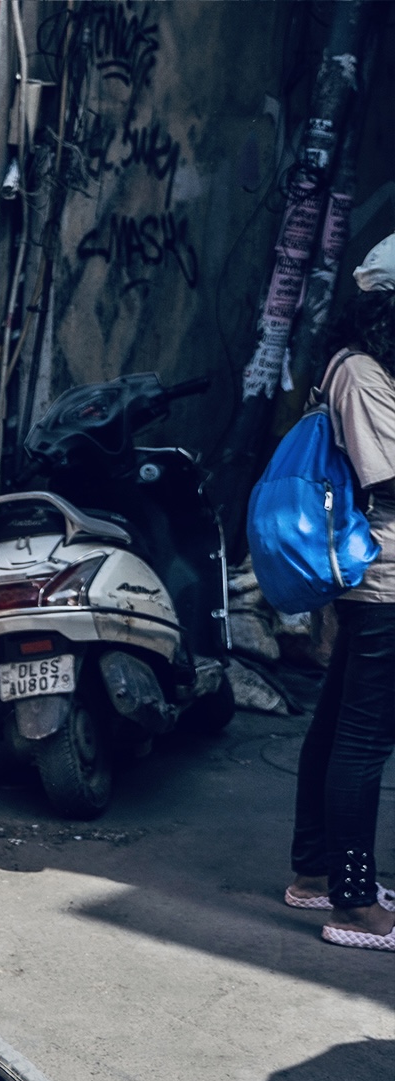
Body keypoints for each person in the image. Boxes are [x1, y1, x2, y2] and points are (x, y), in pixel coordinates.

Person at [286, 231, 395, 952]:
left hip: (379, 580)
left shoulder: (373, 369)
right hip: (385, 580)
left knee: (336, 727)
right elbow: (387, 477)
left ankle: (316, 872)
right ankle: (353, 904)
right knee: (365, 739)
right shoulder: (359, 373)